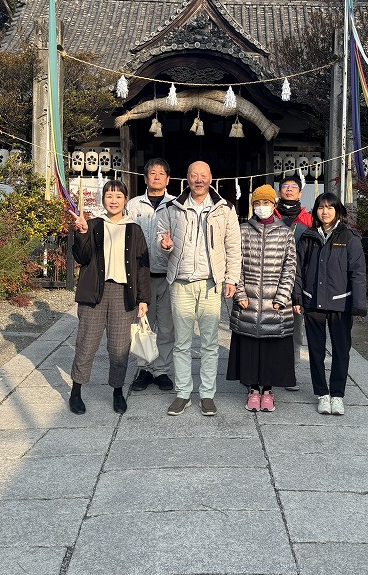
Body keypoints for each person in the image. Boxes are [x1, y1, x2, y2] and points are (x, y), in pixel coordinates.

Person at [159, 161, 241, 417]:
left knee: (209, 343)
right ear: (186, 178)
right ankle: (183, 393)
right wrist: (165, 246)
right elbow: (161, 238)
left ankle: (207, 394)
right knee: (182, 343)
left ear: (211, 178)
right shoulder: (173, 207)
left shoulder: (224, 209)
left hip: (210, 283)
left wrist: (231, 279)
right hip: (181, 282)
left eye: (203, 175)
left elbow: (233, 246)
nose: (198, 179)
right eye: (194, 175)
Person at [69, 179, 150, 415]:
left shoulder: (134, 229)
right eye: (109, 196)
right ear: (102, 200)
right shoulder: (92, 224)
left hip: (122, 294)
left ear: (126, 200)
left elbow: (142, 266)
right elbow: (82, 258)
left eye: (118, 196)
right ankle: (76, 391)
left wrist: (143, 299)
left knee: (119, 347)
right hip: (95, 291)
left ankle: (117, 391)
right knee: (87, 343)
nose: (113, 201)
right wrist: (82, 233)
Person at [293, 192, 366, 416]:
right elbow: (297, 270)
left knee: (341, 351)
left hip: (340, 303)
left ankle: (337, 395)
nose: (325, 212)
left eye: (330, 208)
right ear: (315, 211)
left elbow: (358, 272)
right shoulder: (308, 237)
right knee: (316, 351)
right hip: (313, 301)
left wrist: (358, 304)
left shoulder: (350, 237)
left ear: (338, 211)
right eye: (321, 208)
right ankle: (322, 394)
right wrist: (297, 297)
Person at [227, 184, 297, 412]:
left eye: (266, 203)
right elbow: (235, 262)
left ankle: (268, 390)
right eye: (257, 203)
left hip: (275, 302)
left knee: (270, 348)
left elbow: (290, 267)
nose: (261, 207)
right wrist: (239, 293)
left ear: (274, 205)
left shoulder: (286, 232)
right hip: (248, 300)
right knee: (250, 346)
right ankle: (253, 389)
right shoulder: (243, 230)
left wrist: (283, 295)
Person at [126, 158, 176, 392]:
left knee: (166, 326)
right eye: (152, 173)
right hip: (141, 276)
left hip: (168, 274)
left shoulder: (176, 205)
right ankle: (144, 368)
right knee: (144, 324)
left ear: (167, 179)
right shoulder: (133, 205)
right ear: (145, 178)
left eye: (161, 173)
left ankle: (163, 371)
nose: (156, 177)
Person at [274, 175, 313, 390]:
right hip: (270, 280)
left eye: (293, 187)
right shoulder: (271, 215)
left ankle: (292, 371)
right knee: (269, 325)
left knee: (295, 330)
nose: (289, 190)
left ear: (300, 192)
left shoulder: (308, 219)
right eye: (285, 186)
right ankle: (269, 369)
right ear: (279, 190)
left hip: (298, 282)